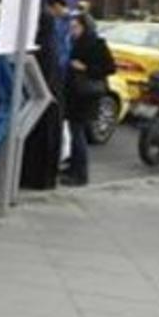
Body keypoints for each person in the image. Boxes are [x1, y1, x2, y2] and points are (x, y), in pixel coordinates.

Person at [62, 14, 116, 187]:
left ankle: (80, 174)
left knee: (79, 133)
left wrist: (86, 67)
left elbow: (110, 68)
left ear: (85, 27)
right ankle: (73, 168)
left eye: (76, 27)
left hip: (87, 95)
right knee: (74, 131)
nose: (73, 31)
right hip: (74, 93)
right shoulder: (73, 42)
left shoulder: (96, 44)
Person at [20, 9, 66, 191]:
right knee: (46, 141)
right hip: (51, 100)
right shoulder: (51, 42)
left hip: (40, 99)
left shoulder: (40, 45)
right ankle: (43, 180)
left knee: (35, 141)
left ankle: (31, 177)